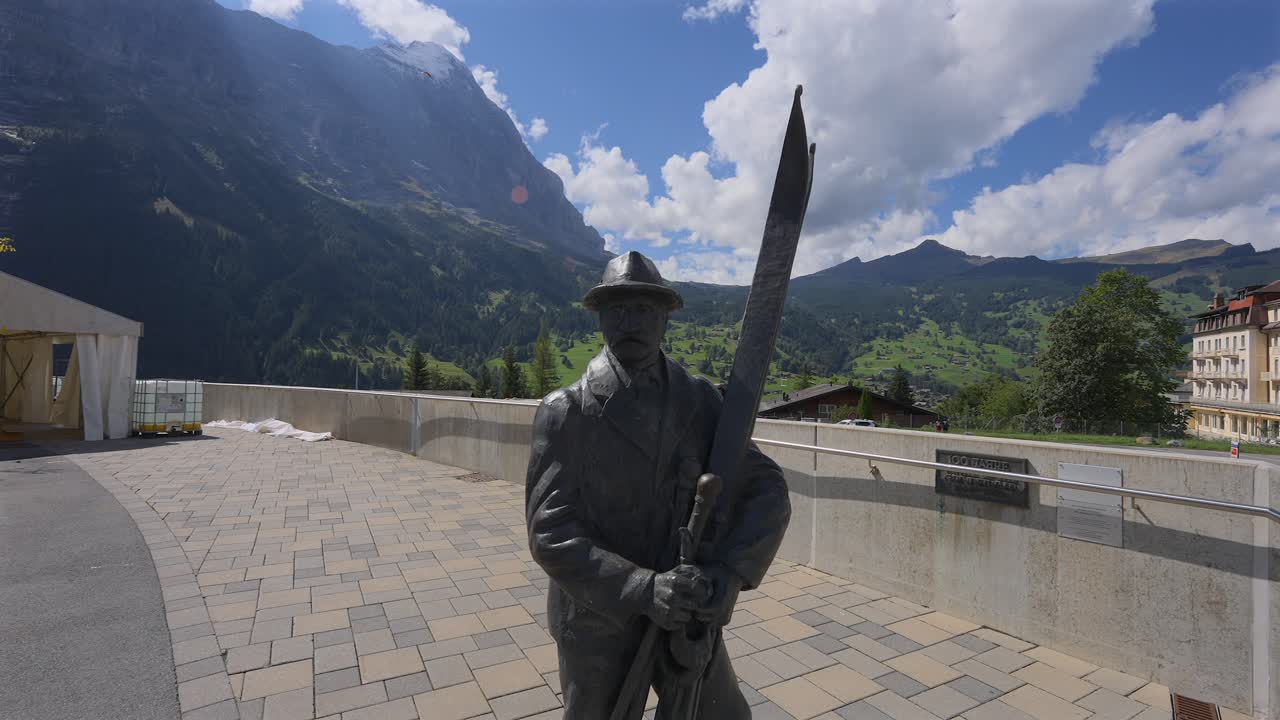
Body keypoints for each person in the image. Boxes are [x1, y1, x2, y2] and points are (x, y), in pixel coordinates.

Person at [526, 251, 791, 719]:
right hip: (599, 617)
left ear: (666, 318)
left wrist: (729, 575)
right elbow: (551, 532)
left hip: (689, 612)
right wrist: (644, 588)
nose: (631, 321)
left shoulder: (702, 400)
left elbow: (766, 487)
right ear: (600, 318)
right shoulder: (566, 411)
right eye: (618, 309)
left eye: (645, 310)